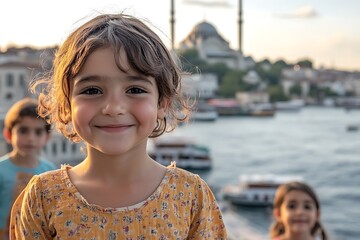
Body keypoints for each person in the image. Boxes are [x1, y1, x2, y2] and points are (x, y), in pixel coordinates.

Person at [10, 13, 227, 239]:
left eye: (135, 90)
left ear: (161, 103)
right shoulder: (44, 196)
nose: (113, 108)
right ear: (67, 105)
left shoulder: (190, 195)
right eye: (92, 90)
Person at [0, 98, 56, 240]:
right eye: (23, 131)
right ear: (8, 134)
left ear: (47, 137)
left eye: (38, 132)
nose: (30, 138)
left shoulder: (50, 172)